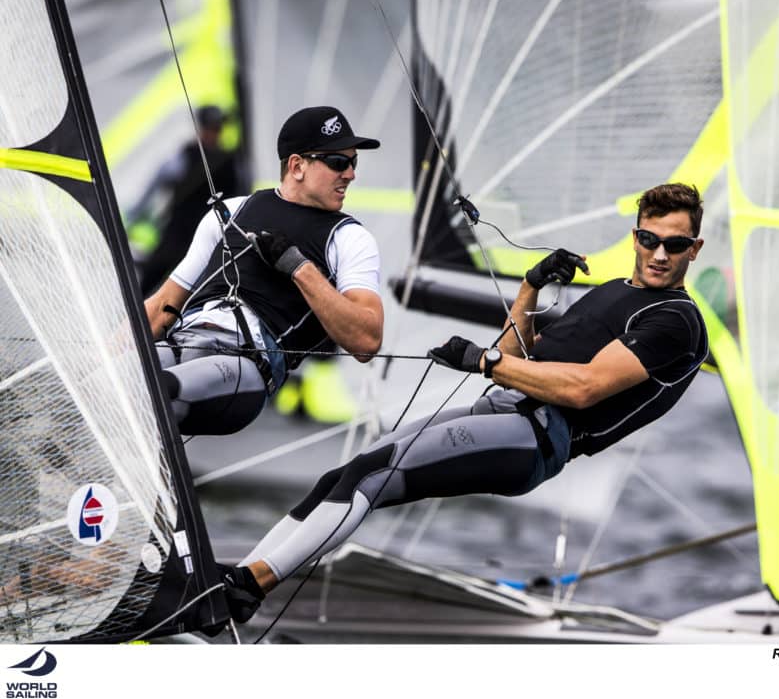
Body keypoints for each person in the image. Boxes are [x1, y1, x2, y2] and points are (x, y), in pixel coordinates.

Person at [218, 182, 709, 622]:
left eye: (676, 245)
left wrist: (481, 360)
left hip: (535, 438)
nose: (660, 254)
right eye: (650, 239)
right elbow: (522, 353)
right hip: (503, 411)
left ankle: (245, 588)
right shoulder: (614, 291)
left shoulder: (675, 320)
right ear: (636, 236)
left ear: (695, 249)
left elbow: (582, 388)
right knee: (345, 474)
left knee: (372, 475)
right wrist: (530, 288)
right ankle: (238, 579)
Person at [144, 106, 385, 436]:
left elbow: (367, 340)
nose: (350, 174)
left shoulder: (350, 239)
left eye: (352, 162)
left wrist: (299, 267)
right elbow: (160, 309)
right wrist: (92, 363)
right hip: (186, 340)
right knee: (118, 379)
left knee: (156, 390)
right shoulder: (229, 211)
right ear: (297, 166)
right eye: (338, 163)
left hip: (243, 368)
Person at [132, 105, 244, 295]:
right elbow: (159, 182)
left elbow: (239, 194)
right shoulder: (187, 154)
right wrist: (136, 215)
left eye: (217, 128)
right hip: (178, 231)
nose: (214, 133)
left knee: (195, 288)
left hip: (209, 233)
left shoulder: (229, 161)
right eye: (211, 128)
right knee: (151, 278)